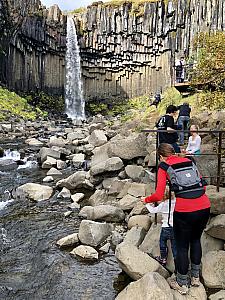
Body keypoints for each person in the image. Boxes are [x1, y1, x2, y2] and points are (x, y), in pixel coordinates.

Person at [142, 143, 210, 295]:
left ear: (160, 156)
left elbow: (159, 195)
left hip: (185, 210)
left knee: (181, 246)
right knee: (195, 240)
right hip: (204, 206)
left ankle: (182, 283)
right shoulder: (189, 161)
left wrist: (146, 200)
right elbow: (203, 187)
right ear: (174, 152)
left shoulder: (164, 166)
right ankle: (195, 278)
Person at [145, 187, 177, 269]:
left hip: (166, 227)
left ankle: (163, 259)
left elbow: (153, 210)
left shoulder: (163, 204)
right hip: (175, 227)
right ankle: (177, 261)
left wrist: (147, 204)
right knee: (174, 246)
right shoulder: (175, 202)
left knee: (162, 242)